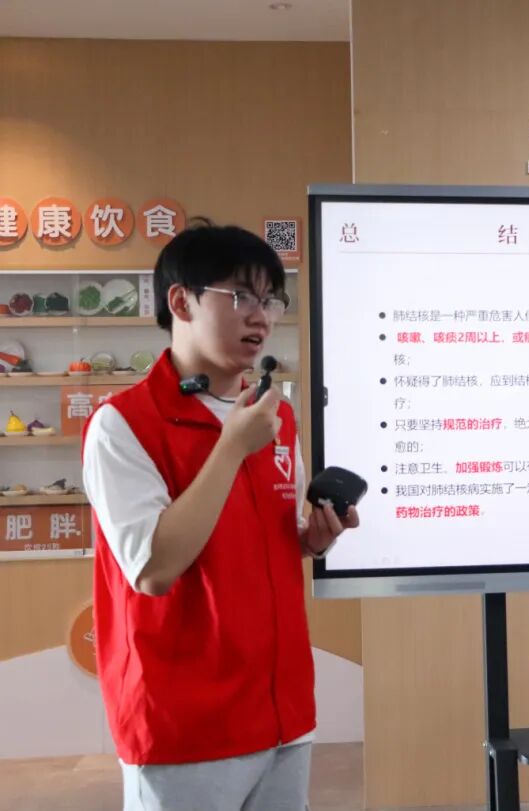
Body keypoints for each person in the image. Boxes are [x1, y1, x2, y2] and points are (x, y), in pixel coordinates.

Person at [82, 220, 359, 811]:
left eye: (271, 299)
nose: (261, 316)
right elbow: (153, 568)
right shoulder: (123, 423)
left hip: (282, 710)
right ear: (181, 301)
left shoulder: (274, 416)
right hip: (184, 723)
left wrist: (312, 539)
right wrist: (231, 448)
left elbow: (262, 534)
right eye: (240, 296)